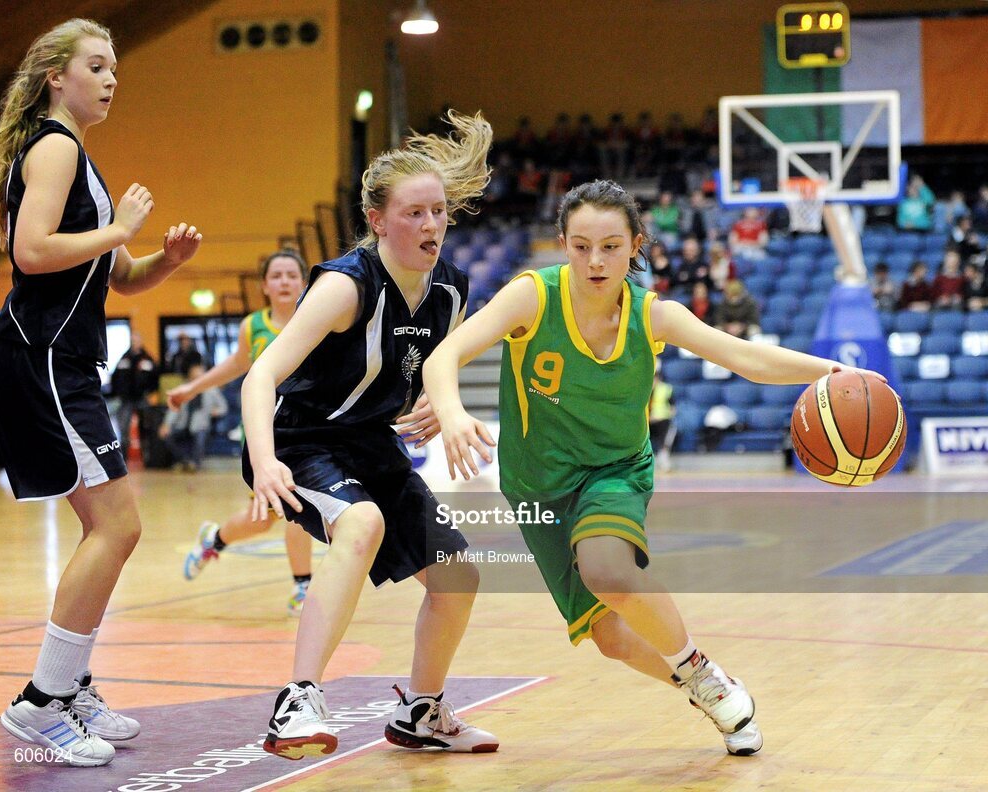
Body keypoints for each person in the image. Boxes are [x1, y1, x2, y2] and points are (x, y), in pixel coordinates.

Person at [422, 178, 886, 757]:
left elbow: (745, 357)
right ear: (562, 244)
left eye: (611, 246)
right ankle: (706, 683)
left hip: (614, 471)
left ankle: (702, 675)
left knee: (608, 571)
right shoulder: (532, 297)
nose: (595, 260)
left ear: (635, 245)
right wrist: (452, 412)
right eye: (581, 246)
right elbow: (444, 355)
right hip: (537, 484)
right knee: (611, 637)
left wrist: (832, 371)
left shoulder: (654, 315)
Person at [0, 18, 202, 767]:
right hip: (40, 358)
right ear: (56, 76)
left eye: (114, 69)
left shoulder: (78, 156)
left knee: (109, 527)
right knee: (117, 525)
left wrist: (165, 261)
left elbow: (120, 277)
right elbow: (32, 251)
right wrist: (119, 228)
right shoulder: (55, 147)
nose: (110, 80)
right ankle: (42, 701)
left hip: (63, 361)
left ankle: (69, 686)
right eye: (97, 66)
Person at [242, 110, 498, 759]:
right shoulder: (345, 286)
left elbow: (431, 366)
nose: (432, 225)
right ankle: (298, 702)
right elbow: (261, 374)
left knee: (458, 576)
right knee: (361, 524)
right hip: (300, 440)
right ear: (378, 220)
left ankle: (422, 714)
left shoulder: (449, 291)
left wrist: (439, 403)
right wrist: (265, 461)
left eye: (439, 211)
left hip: (372, 445)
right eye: (414, 213)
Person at [174, 249, 315, 613]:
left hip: (308, 428)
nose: (284, 282)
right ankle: (218, 541)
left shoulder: (318, 319)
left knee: (293, 506)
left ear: (304, 282)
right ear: (265, 285)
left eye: (292, 275)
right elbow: (236, 365)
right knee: (269, 517)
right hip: (264, 432)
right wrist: (192, 389)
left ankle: (300, 584)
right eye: (276, 276)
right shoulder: (253, 326)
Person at [159, 362, 226, 470]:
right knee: (167, 436)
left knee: (200, 437)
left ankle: (195, 463)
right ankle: (184, 461)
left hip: (201, 426)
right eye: (195, 377)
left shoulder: (211, 390)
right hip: (182, 424)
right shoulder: (183, 389)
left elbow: (223, 408)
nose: (198, 380)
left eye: (200, 377)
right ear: (190, 377)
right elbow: (173, 409)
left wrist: (214, 411)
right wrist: (166, 424)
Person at [110, 331, 159, 460]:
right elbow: (116, 377)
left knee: (146, 427)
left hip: (142, 398)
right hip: (126, 399)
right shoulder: (124, 358)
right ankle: (123, 459)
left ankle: (147, 458)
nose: (135, 343)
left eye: (137, 340)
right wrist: (118, 393)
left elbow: (156, 377)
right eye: (133, 341)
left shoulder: (147, 359)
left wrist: (149, 391)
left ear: (141, 342)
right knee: (124, 428)